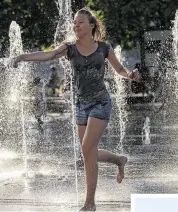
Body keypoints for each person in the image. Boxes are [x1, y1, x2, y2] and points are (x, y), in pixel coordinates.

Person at [12, 7, 138, 211]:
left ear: (91, 25)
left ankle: (90, 203)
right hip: (81, 105)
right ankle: (119, 160)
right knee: (88, 153)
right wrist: (21, 57)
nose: (76, 25)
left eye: (80, 22)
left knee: (88, 149)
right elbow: (48, 55)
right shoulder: (69, 48)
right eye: (74, 22)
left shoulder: (104, 48)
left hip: (100, 103)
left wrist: (130, 75)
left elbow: (120, 70)